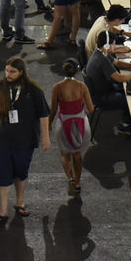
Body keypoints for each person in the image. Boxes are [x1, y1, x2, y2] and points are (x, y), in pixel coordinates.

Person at [0, 58, 52, 228]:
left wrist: (46, 137)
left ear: (21, 72)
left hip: (25, 142)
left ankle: (20, 202)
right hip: (1, 142)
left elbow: (44, 115)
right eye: (7, 70)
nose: (8, 74)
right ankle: (2, 211)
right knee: (2, 174)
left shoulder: (34, 90)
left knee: (21, 172)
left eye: (12, 71)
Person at [47, 59, 93, 201]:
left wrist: (48, 124)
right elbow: (91, 108)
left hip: (64, 123)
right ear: (77, 70)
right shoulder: (82, 86)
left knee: (65, 153)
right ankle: (78, 182)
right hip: (80, 123)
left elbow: (53, 109)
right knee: (77, 154)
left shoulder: (57, 87)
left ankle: (70, 178)